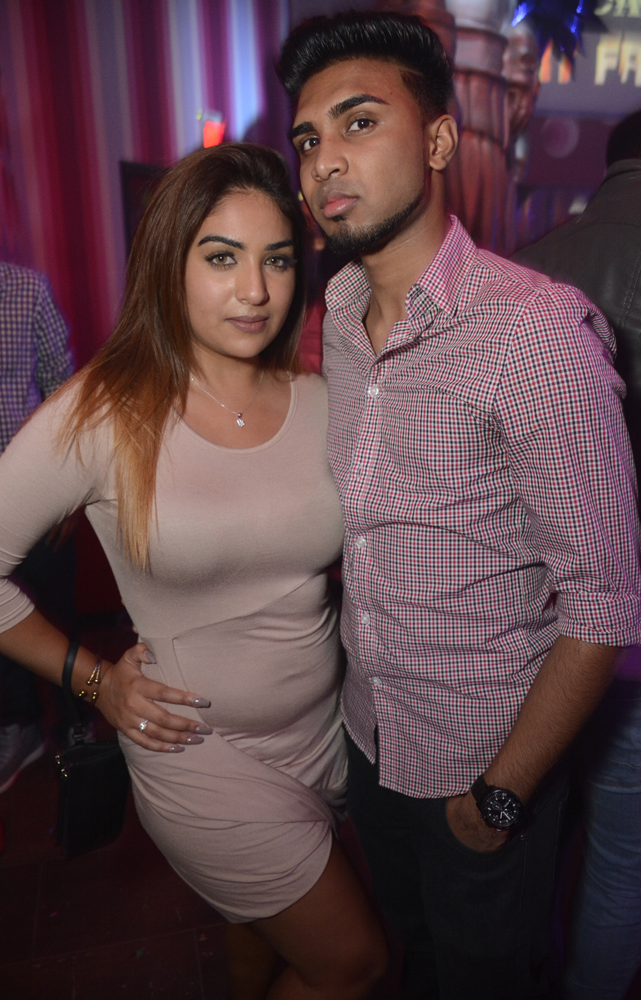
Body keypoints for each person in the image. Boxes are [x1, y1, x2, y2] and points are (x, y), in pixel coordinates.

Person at [275, 12, 641, 999]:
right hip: (371, 742)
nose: (323, 161)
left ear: (438, 140)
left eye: (359, 123)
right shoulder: (337, 317)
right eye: (308, 138)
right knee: (415, 959)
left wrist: (502, 795)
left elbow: (604, 601)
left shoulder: (534, 334)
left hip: (481, 773)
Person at [0, 143, 387, 1000]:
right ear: (169, 263)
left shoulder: (321, 401)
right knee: (354, 964)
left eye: (277, 259)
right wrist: (92, 680)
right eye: (222, 258)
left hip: (322, 735)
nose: (256, 290)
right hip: (196, 747)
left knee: (259, 929)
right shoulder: (102, 413)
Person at [514, 108, 641, 1000]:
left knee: (531, 836)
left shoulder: (526, 269)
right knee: (621, 857)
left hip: (540, 618)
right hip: (634, 635)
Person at [0, 175, 75, 797]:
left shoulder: (26, 290)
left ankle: (78, 731)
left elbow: (65, 391)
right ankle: (20, 726)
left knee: (58, 621)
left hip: (36, 499)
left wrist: (67, 496)